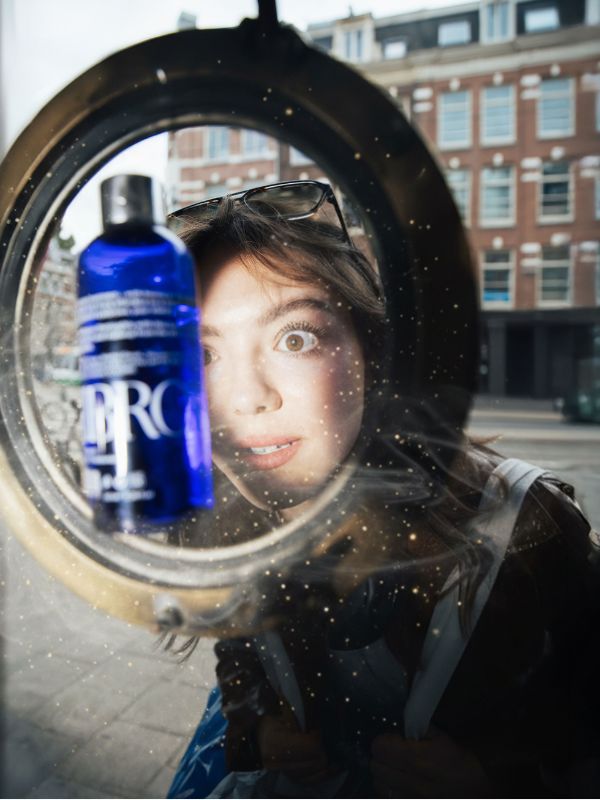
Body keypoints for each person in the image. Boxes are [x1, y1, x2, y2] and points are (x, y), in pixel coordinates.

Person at [165, 181, 600, 798]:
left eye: (295, 338)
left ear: (375, 354)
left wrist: (498, 778)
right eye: (204, 354)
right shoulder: (237, 522)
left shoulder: (530, 529)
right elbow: (242, 654)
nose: (243, 398)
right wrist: (260, 729)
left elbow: (582, 719)